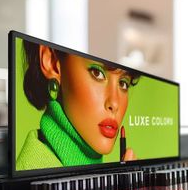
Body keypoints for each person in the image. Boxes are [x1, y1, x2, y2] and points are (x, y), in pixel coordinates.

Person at [16, 42, 140, 170]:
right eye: (97, 73)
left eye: (123, 83)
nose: (114, 103)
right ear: (52, 62)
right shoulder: (33, 172)